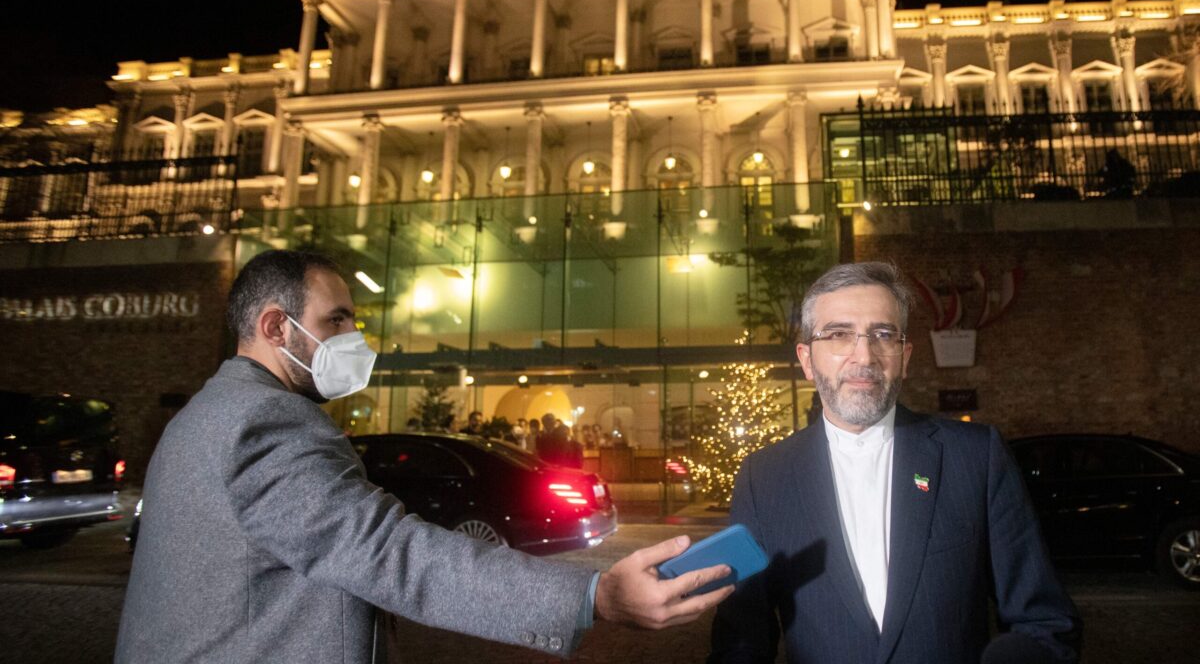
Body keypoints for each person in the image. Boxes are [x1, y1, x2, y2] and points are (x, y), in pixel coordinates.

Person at [116, 249, 732, 662]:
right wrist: (592, 596)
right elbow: (387, 552)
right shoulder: (263, 421)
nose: (353, 339)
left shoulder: (203, 415)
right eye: (337, 321)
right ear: (277, 328)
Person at [708, 261, 1080, 664]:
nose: (863, 355)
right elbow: (741, 641)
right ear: (807, 360)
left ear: (904, 356)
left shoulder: (976, 456)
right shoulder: (763, 477)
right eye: (838, 334)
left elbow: (1045, 623)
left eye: (882, 334)